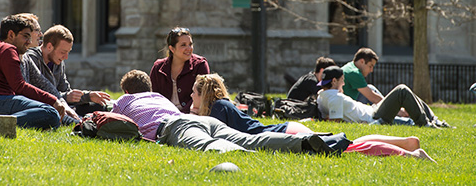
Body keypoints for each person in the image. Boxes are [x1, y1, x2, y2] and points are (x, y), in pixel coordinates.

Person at [191, 73, 436, 161]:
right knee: (349, 144)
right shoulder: (222, 105)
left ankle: (409, 153)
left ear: (204, 94)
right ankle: (405, 143)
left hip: (285, 134)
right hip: (287, 129)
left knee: (346, 149)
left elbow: (220, 141)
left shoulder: (218, 109)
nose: (191, 97)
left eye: (193, 93)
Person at [111, 70, 350, 155]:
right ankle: (307, 143)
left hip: (175, 127)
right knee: (252, 139)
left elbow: (108, 120)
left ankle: (248, 157)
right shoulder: (158, 98)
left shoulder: (124, 100)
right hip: (193, 121)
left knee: (207, 145)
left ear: (126, 90)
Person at [0, 15, 76, 129]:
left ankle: (79, 125)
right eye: (25, 37)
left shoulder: (0, 48)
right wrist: (53, 101)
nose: (29, 41)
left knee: (49, 114)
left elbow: (42, 83)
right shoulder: (7, 49)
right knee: (50, 113)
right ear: (11, 35)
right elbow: (19, 86)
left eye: (30, 37)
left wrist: (57, 101)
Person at [21, 25, 113, 122]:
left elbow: (65, 90)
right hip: (46, 106)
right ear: (49, 47)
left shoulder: (58, 61)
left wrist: (88, 96)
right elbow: (38, 93)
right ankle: (83, 124)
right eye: (63, 52)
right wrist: (65, 98)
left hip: (62, 103)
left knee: (97, 106)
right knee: (70, 117)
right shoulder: (32, 59)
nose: (66, 57)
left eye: (68, 52)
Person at [317, 66, 451, 128]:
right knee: (402, 90)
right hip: (373, 117)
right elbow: (335, 124)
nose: (344, 83)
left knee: (408, 94)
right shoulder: (335, 98)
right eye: (342, 80)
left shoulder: (321, 96)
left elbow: (326, 117)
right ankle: (425, 123)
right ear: (334, 81)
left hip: (372, 110)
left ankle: (434, 120)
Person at [150, 27, 210, 113]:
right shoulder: (158, 67)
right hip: (163, 116)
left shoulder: (200, 65)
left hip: (192, 115)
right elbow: (153, 96)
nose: (189, 48)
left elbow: (202, 95)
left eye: (190, 44)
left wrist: (182, 115)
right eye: (183, 45)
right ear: (172, 49)